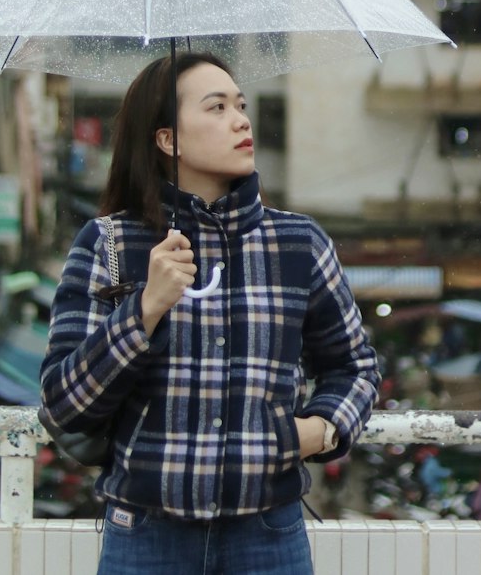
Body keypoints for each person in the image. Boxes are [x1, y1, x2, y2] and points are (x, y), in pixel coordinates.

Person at [40, 50, 381, 575]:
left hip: (268, 532)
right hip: (145, 534)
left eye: (240, 105)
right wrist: (144, 309)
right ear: (167, 140)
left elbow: (354, 366)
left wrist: (319, 429)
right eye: (217, 107)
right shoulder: (108, 243)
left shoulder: (298, 243)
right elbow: (65, 404)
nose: (241, 120)